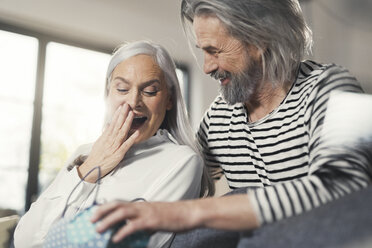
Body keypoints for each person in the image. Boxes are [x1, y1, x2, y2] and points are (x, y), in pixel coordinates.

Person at [90, 0, 372, 246]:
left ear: (260, 39)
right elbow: (179, 168)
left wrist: (189, 213)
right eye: (203, 51)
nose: (207, 66)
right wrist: (94, 165)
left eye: (214, 51)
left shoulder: (334, 87)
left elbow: (344, 187)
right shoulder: (219, 116)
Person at [13, 40, 214, 248]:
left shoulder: (182, 161)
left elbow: (133, 243)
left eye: (150, 91)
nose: (134, 101)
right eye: (122, 88)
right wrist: (90, 169)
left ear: (169, 100)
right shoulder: (85, 152)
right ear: (108, 94)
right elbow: (24, 240)